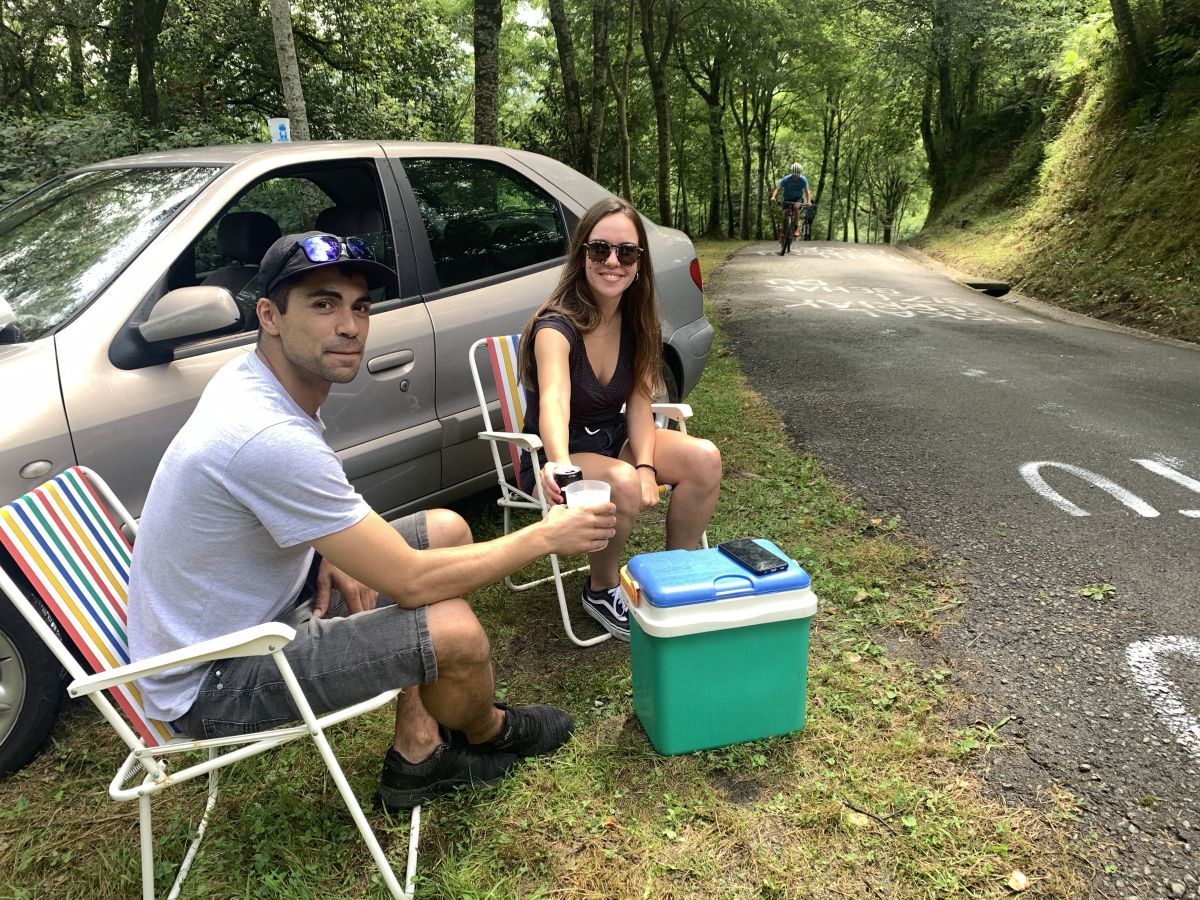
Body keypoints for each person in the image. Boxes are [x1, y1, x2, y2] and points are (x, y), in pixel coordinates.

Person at [127, 231, 618, 812]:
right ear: (269, 316)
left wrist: (324, 553)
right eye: (323, 304)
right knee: (453, 631)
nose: (350, 326)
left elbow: (273, 511)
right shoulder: (265, 432)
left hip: (270, 603)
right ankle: (489, 730)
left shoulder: (256, 379)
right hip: (214, 678)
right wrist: (545, 535)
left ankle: (419, 749)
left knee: (448, 530)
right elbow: (410, 580)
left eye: (360, 307)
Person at [516, 198, 722, 642]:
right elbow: (554, 399)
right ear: (582, 254)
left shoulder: (638, 321)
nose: (612, 261)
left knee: (704, 458)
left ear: (639, 262)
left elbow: (640, 404)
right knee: (624, 482)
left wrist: (646, 465)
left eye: (626, 252)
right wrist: (558, 463)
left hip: (613, 439)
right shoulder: (555, 327)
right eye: (600, 249)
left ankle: (675, 576)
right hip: (559, 456)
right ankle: (601, 588)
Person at [769, 162, 813, 245]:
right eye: (794, 175)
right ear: (791, 173)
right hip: (787, 199)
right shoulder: (786, 179)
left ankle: (795, 228)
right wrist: (773, 197)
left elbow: (807, 191)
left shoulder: (803, 180)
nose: (795, 177)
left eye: (797, 175)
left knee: (796, 207)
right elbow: (777, 189)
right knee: (784, 213)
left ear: (800, 173)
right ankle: (783, 233)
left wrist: (809, 202)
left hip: (798, 199)